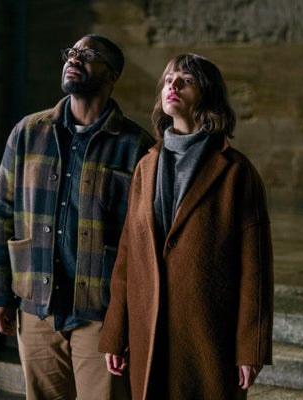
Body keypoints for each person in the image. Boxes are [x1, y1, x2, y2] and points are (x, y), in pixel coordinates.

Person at [0, 34, 155, 400]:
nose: (74, 59)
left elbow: (144, 241)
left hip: (100, 314)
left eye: (88, 55)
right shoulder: (29, 132)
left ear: (112, 75)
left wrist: (128, 320)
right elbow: (1, 214)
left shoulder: (137, 146)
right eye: (71, 53)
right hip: (36, 309)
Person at [98, 53, 274, 399]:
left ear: (207, 96)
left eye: (186, 81)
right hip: (149, 329)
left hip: (208, 333)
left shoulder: (236, 172)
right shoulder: (146, 167)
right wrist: (115, 333)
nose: (172, 86)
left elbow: (256, 269)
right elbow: (127, 255)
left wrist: (250, 348)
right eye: (168, 80)